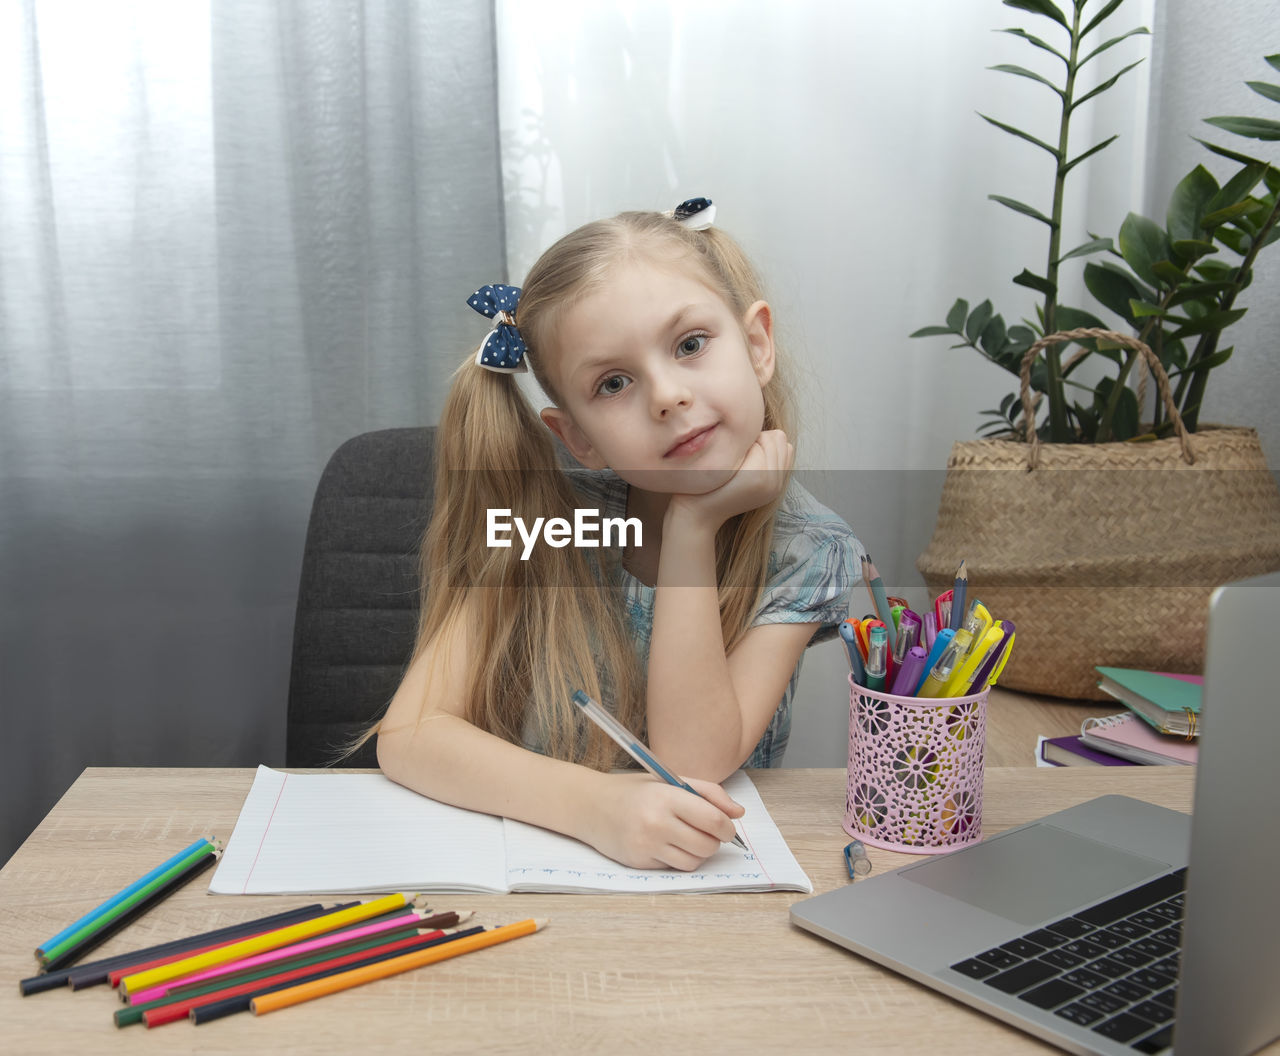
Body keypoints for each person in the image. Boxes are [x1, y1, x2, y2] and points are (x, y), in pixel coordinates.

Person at [371, 198, 862, 871]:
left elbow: (693, 759)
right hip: (531, 868)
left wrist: (691, 528)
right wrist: (595, 808)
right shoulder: (547, 522)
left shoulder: (807, 548)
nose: (666, 395)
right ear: (576, 437)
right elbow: (410, 734)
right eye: (613, 383)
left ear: (757, 345)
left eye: (691, 345)